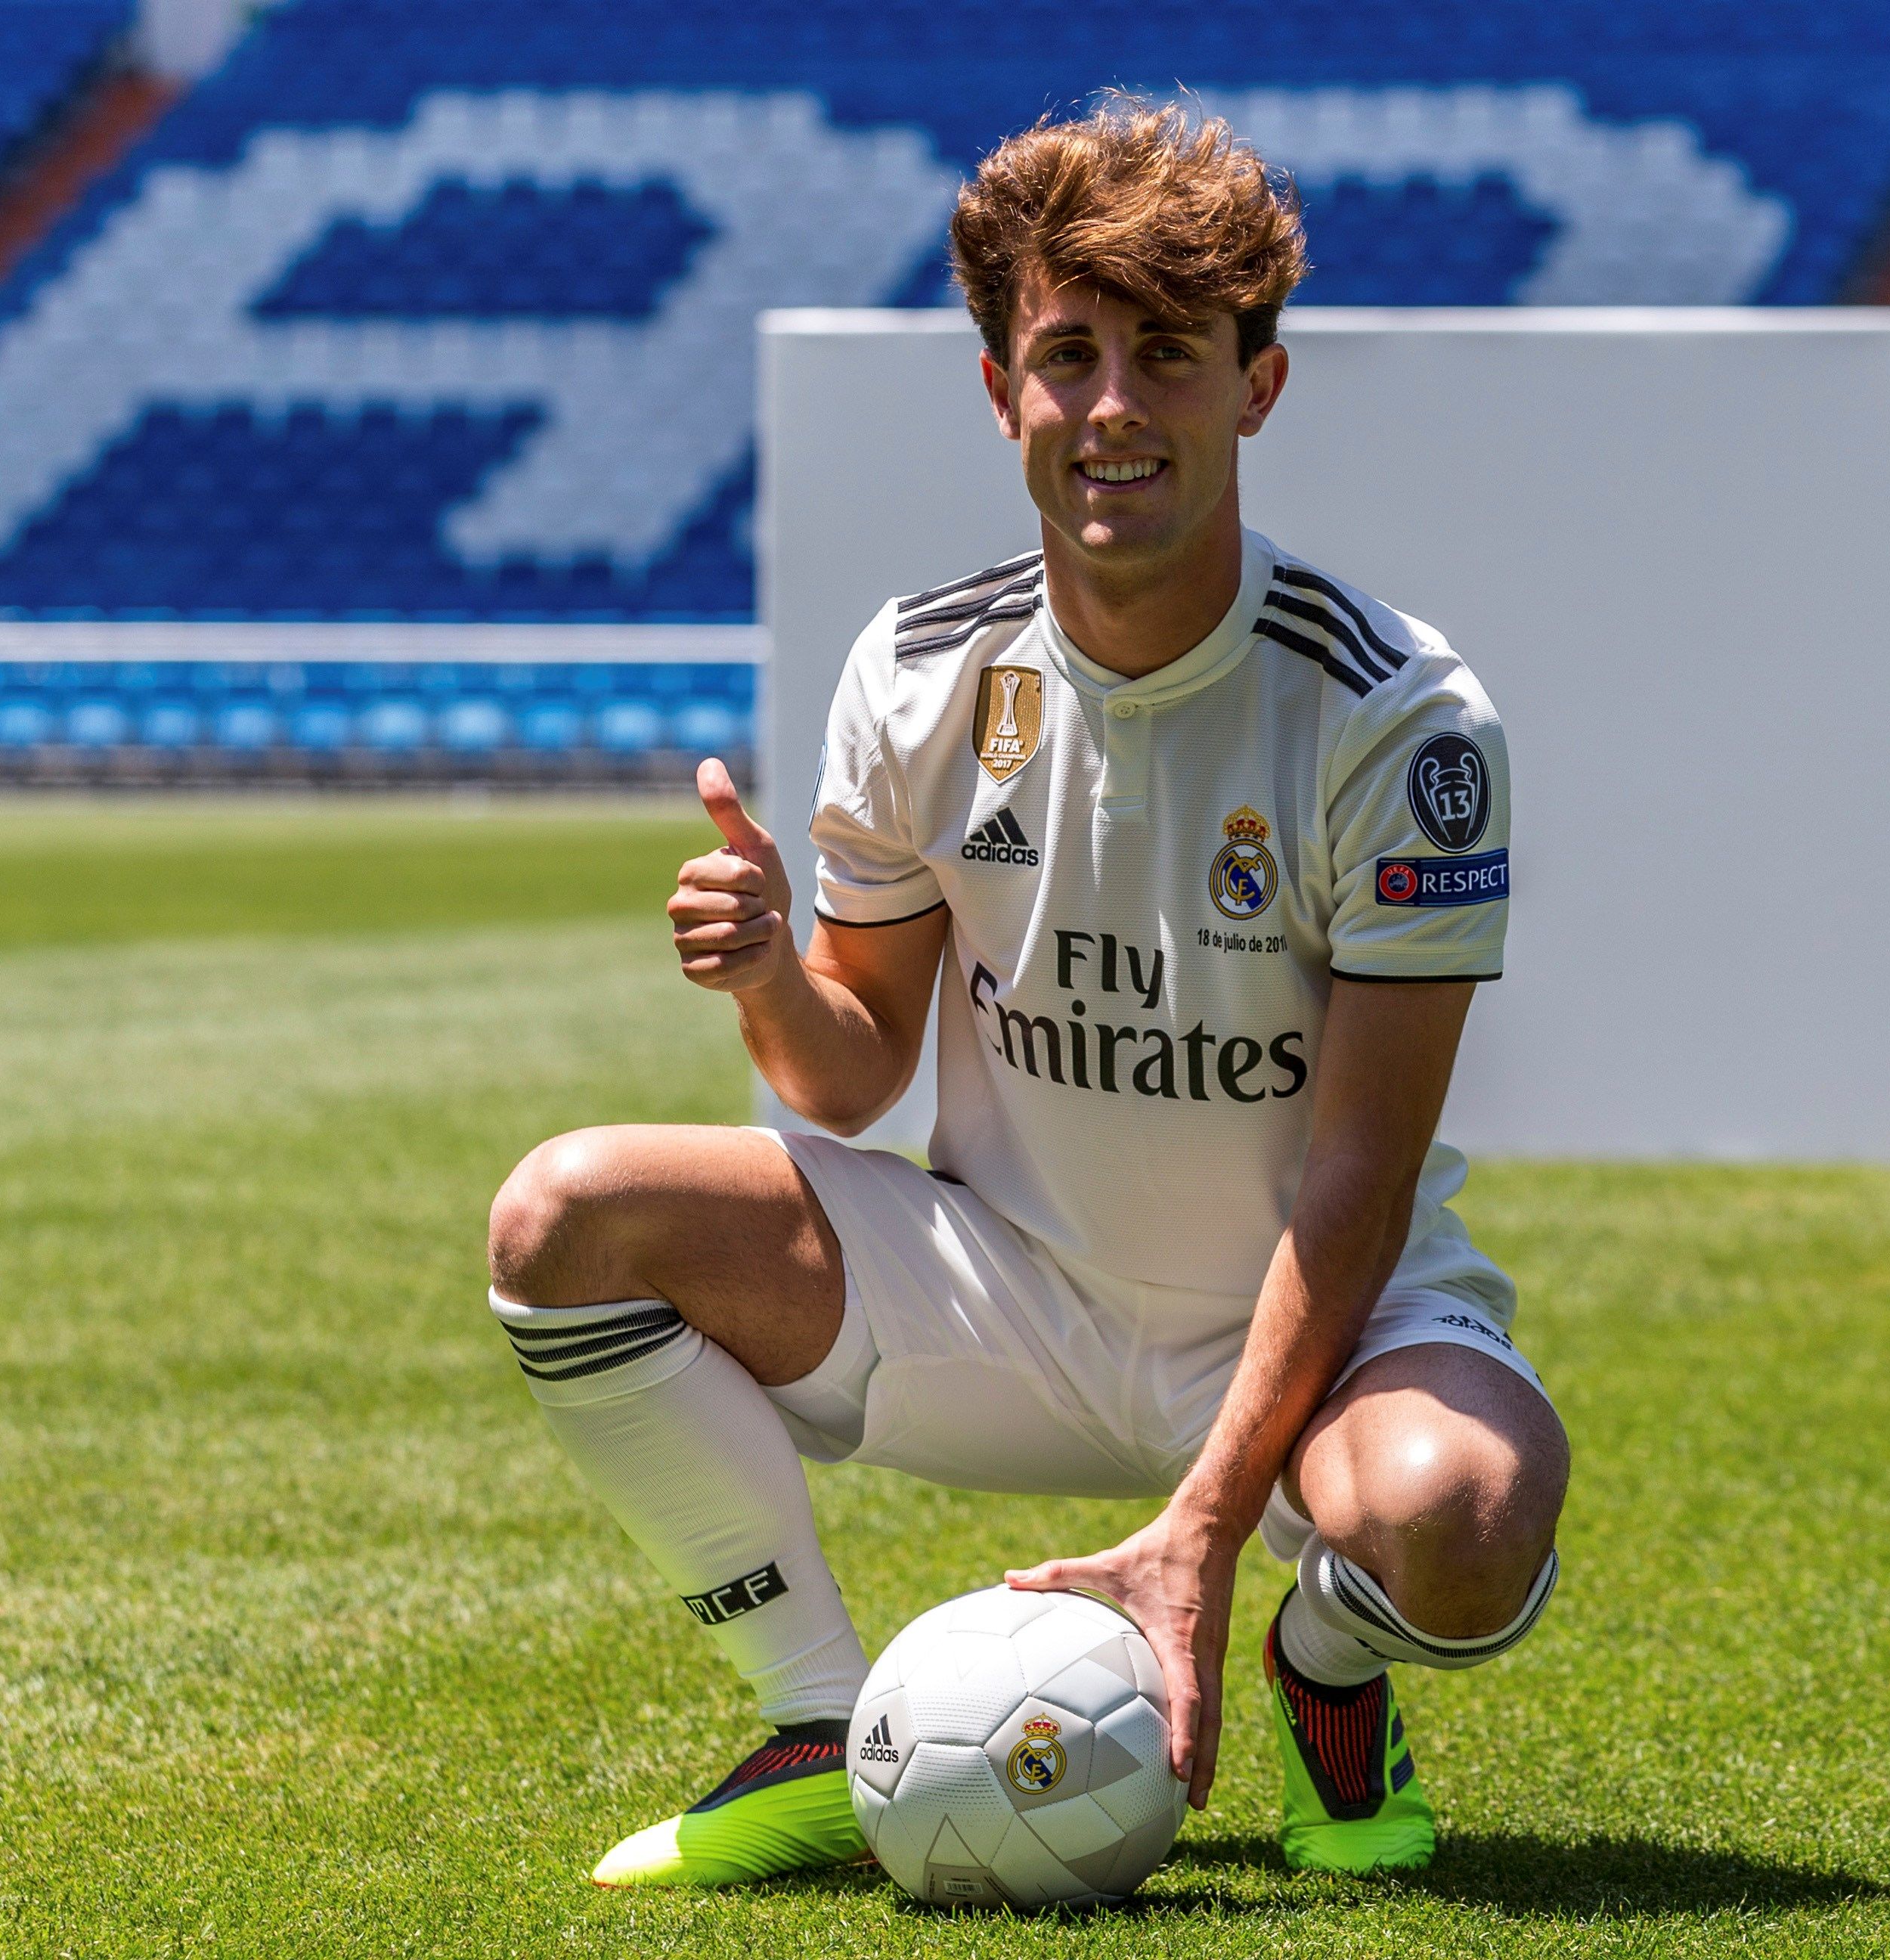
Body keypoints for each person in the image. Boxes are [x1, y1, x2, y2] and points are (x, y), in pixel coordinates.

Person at [482, 98, 1568, 1887]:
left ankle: (1328, 1671)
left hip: (1305, 1337)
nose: (1116, 407)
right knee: (562, 1218)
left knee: (1460, 1518)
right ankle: (822, 1723)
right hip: (1007, 1294)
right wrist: (766, 973)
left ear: (1258, 386)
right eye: (1069, 355)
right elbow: (846, 1080)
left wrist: (1212, 1534)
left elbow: (1360, 1177)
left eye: (1170, 354)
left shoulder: (1395, 712)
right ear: (1003, 393)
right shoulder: (918, 674)